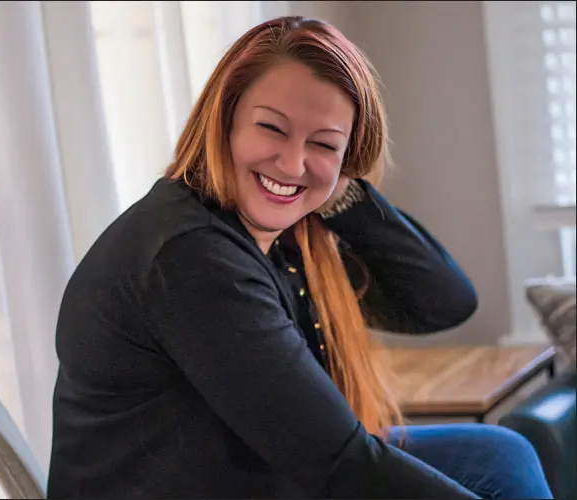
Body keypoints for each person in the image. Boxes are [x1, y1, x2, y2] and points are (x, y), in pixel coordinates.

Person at [47, 16, 552, 499]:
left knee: (498, 455)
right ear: (223, 120)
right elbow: (337, 464)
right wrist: (314, 173)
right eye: (271, 128)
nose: (291, 162)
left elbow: (442, 302)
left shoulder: (279, 238)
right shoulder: (192, 258)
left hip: (249, 473)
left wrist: (337, 194)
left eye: (324, 143)